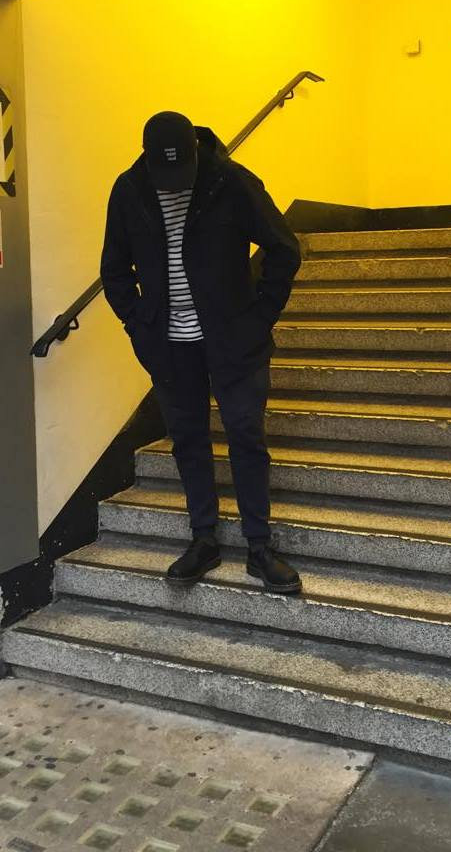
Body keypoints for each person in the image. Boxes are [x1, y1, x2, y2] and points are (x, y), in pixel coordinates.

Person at [101, 111, 303, 594]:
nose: (173, 183)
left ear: (196, 150)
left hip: (235, 341)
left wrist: (259, 317)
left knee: (245, 436)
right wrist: (139, 324)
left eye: (181, 171)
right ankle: (204, 539)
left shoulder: (229, 181)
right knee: (188, 440)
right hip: (170, 346)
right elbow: (114, 268)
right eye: (164, 172)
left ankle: (259, 547)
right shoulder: (129, 190)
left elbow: (283, 248)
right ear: (147, 158)